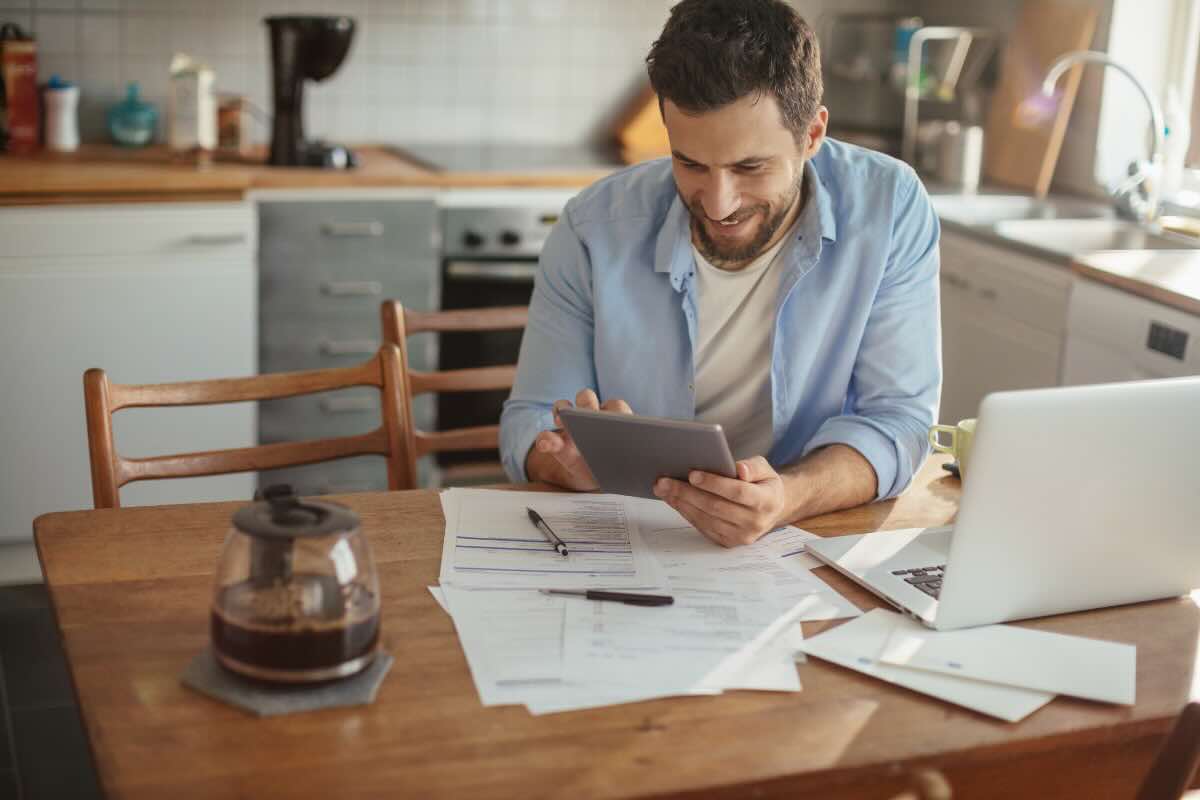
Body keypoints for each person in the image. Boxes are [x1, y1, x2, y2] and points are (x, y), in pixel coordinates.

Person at [500, 0, 941, 547]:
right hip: (639, 539)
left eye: (749, 167)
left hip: (810, 539)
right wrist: (568, 464)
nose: (718, 203)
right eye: (690, 164)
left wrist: (787, 497)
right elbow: (528, 421)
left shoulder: (889, 206)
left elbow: (899, 420)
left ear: (812, 135)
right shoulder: (594, 227)